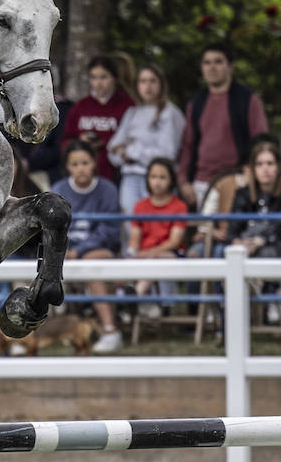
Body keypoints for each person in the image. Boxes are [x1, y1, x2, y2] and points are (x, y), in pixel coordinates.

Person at [51, 140, 123, 353]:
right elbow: (52, 227)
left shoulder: (108, 189)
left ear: (94, 163)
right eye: (75, 164)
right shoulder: (58, 189)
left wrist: (79, 251)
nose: (81, 168)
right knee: (37, 266)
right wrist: (65, 250)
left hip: (99, 251)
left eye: (85, 162)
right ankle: (28, 335)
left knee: (91, 264)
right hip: (64, 251)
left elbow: (109, 231)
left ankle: (110, 331)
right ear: (67, 167)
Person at [177, 43, 269, 209]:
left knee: (229, 232)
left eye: (218, 62)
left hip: (237, 178)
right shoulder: (196, 102)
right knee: (203, 233)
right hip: (200, 181)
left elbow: (260, 141)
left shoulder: (247, 99)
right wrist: (183, 181)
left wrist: (252, 170)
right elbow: (188, 145)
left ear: (230, 67)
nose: (212, 67)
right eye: (207, 62)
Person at [229, 138, 281, 325]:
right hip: (248, 250)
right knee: (223, 255)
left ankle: (267, 295)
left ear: (278, 167)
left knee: (266, 250)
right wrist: (239, 243)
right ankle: (229, 316)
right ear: (252, 168)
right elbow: (233, 231)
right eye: (260, 164)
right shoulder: (242, 194)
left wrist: (259, 240)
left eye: (270, 163)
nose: (265, 169)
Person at [107, 64, 185, 213]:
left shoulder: (170, 113)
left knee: (156, 227)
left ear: (161, 84)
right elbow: (113, 149)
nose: (147, 86)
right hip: (130, 177)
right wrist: (126, 154)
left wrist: (130, 152)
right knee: (131, 225)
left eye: (152, 81)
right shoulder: (132, 112)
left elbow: (166, 154)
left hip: (159, 179)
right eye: (143, 81)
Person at [125, 158, 188, 319]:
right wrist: (132, 251)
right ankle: (143, 303)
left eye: (162, 177)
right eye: (153, 177)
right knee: (128, 260)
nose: (157, 182)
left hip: (172, 254)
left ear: (171, 180)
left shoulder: (179, 206)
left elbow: (174, 242)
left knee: (156, 258)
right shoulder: (140, 205)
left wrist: (146, 254)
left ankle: (135, 296)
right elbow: (134, 236)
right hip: (144, 255)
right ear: (147, 179)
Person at [59, 55, 134, 183]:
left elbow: (133, 140)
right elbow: (65, 140)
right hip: (82, 176)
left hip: (116, 174)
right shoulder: (81, 106)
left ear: (114, 78)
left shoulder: (127, 105)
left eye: (104, 77)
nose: (98, 83)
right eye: (93, 77)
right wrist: (79, 142)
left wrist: (104, 142)